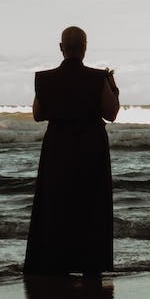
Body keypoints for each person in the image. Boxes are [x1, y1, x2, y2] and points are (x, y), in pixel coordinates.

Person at [24, 26, 119, 276]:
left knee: (57, 204)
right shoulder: (99, 78)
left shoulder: (44, 78)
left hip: (58, 146)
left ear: (61, 48)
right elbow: (111, 113)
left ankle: (57, 263)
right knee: (91, 205)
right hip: (91, 145)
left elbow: (37, 115)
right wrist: (113, 86)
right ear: (85, 48)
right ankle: (91, 264)